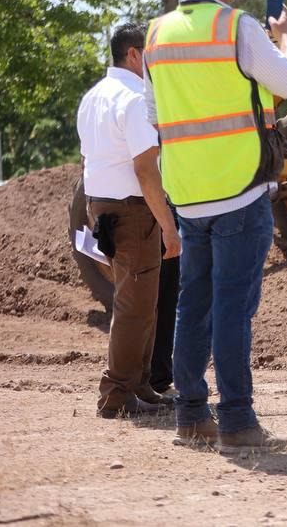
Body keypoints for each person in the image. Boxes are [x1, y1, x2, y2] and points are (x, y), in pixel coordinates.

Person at [143, 0, 287, 453]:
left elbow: (154, 116)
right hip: (239, 189)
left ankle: (191, 415)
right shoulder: (237, 26)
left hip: (188, 193)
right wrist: (284, 38)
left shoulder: (156, 34)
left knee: (193, 306)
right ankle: (237, 420)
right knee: (233, 308)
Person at [77, 23, 183, 418]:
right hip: (133, 210)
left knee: (142, 303)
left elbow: (91, 160)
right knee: (135, 306)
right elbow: (145, 169)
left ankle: (138, 386)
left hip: (102, 206)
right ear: (135, 55)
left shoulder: (92, 97)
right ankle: (118, 393)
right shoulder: (136, 98)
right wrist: (168, 226)